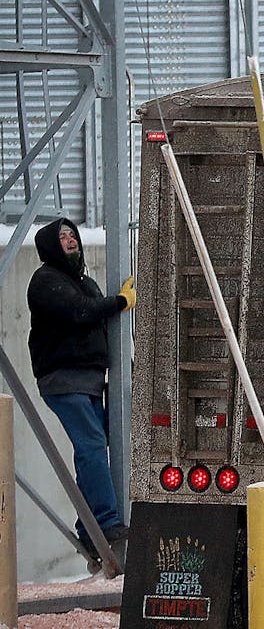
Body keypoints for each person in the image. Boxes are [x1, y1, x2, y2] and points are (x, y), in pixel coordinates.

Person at [27, 217, 135, 562]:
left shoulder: (82, 282)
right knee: (90, 447)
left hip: (87, 379)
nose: (71, 240)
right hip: (64, 379)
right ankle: (106, 522)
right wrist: (119, 302)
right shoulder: (46, 281)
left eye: (73, 235)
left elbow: (91, 312)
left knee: (93, 449)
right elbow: (80, 312)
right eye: (63, 237)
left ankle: (88, 528)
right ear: (50, 246)